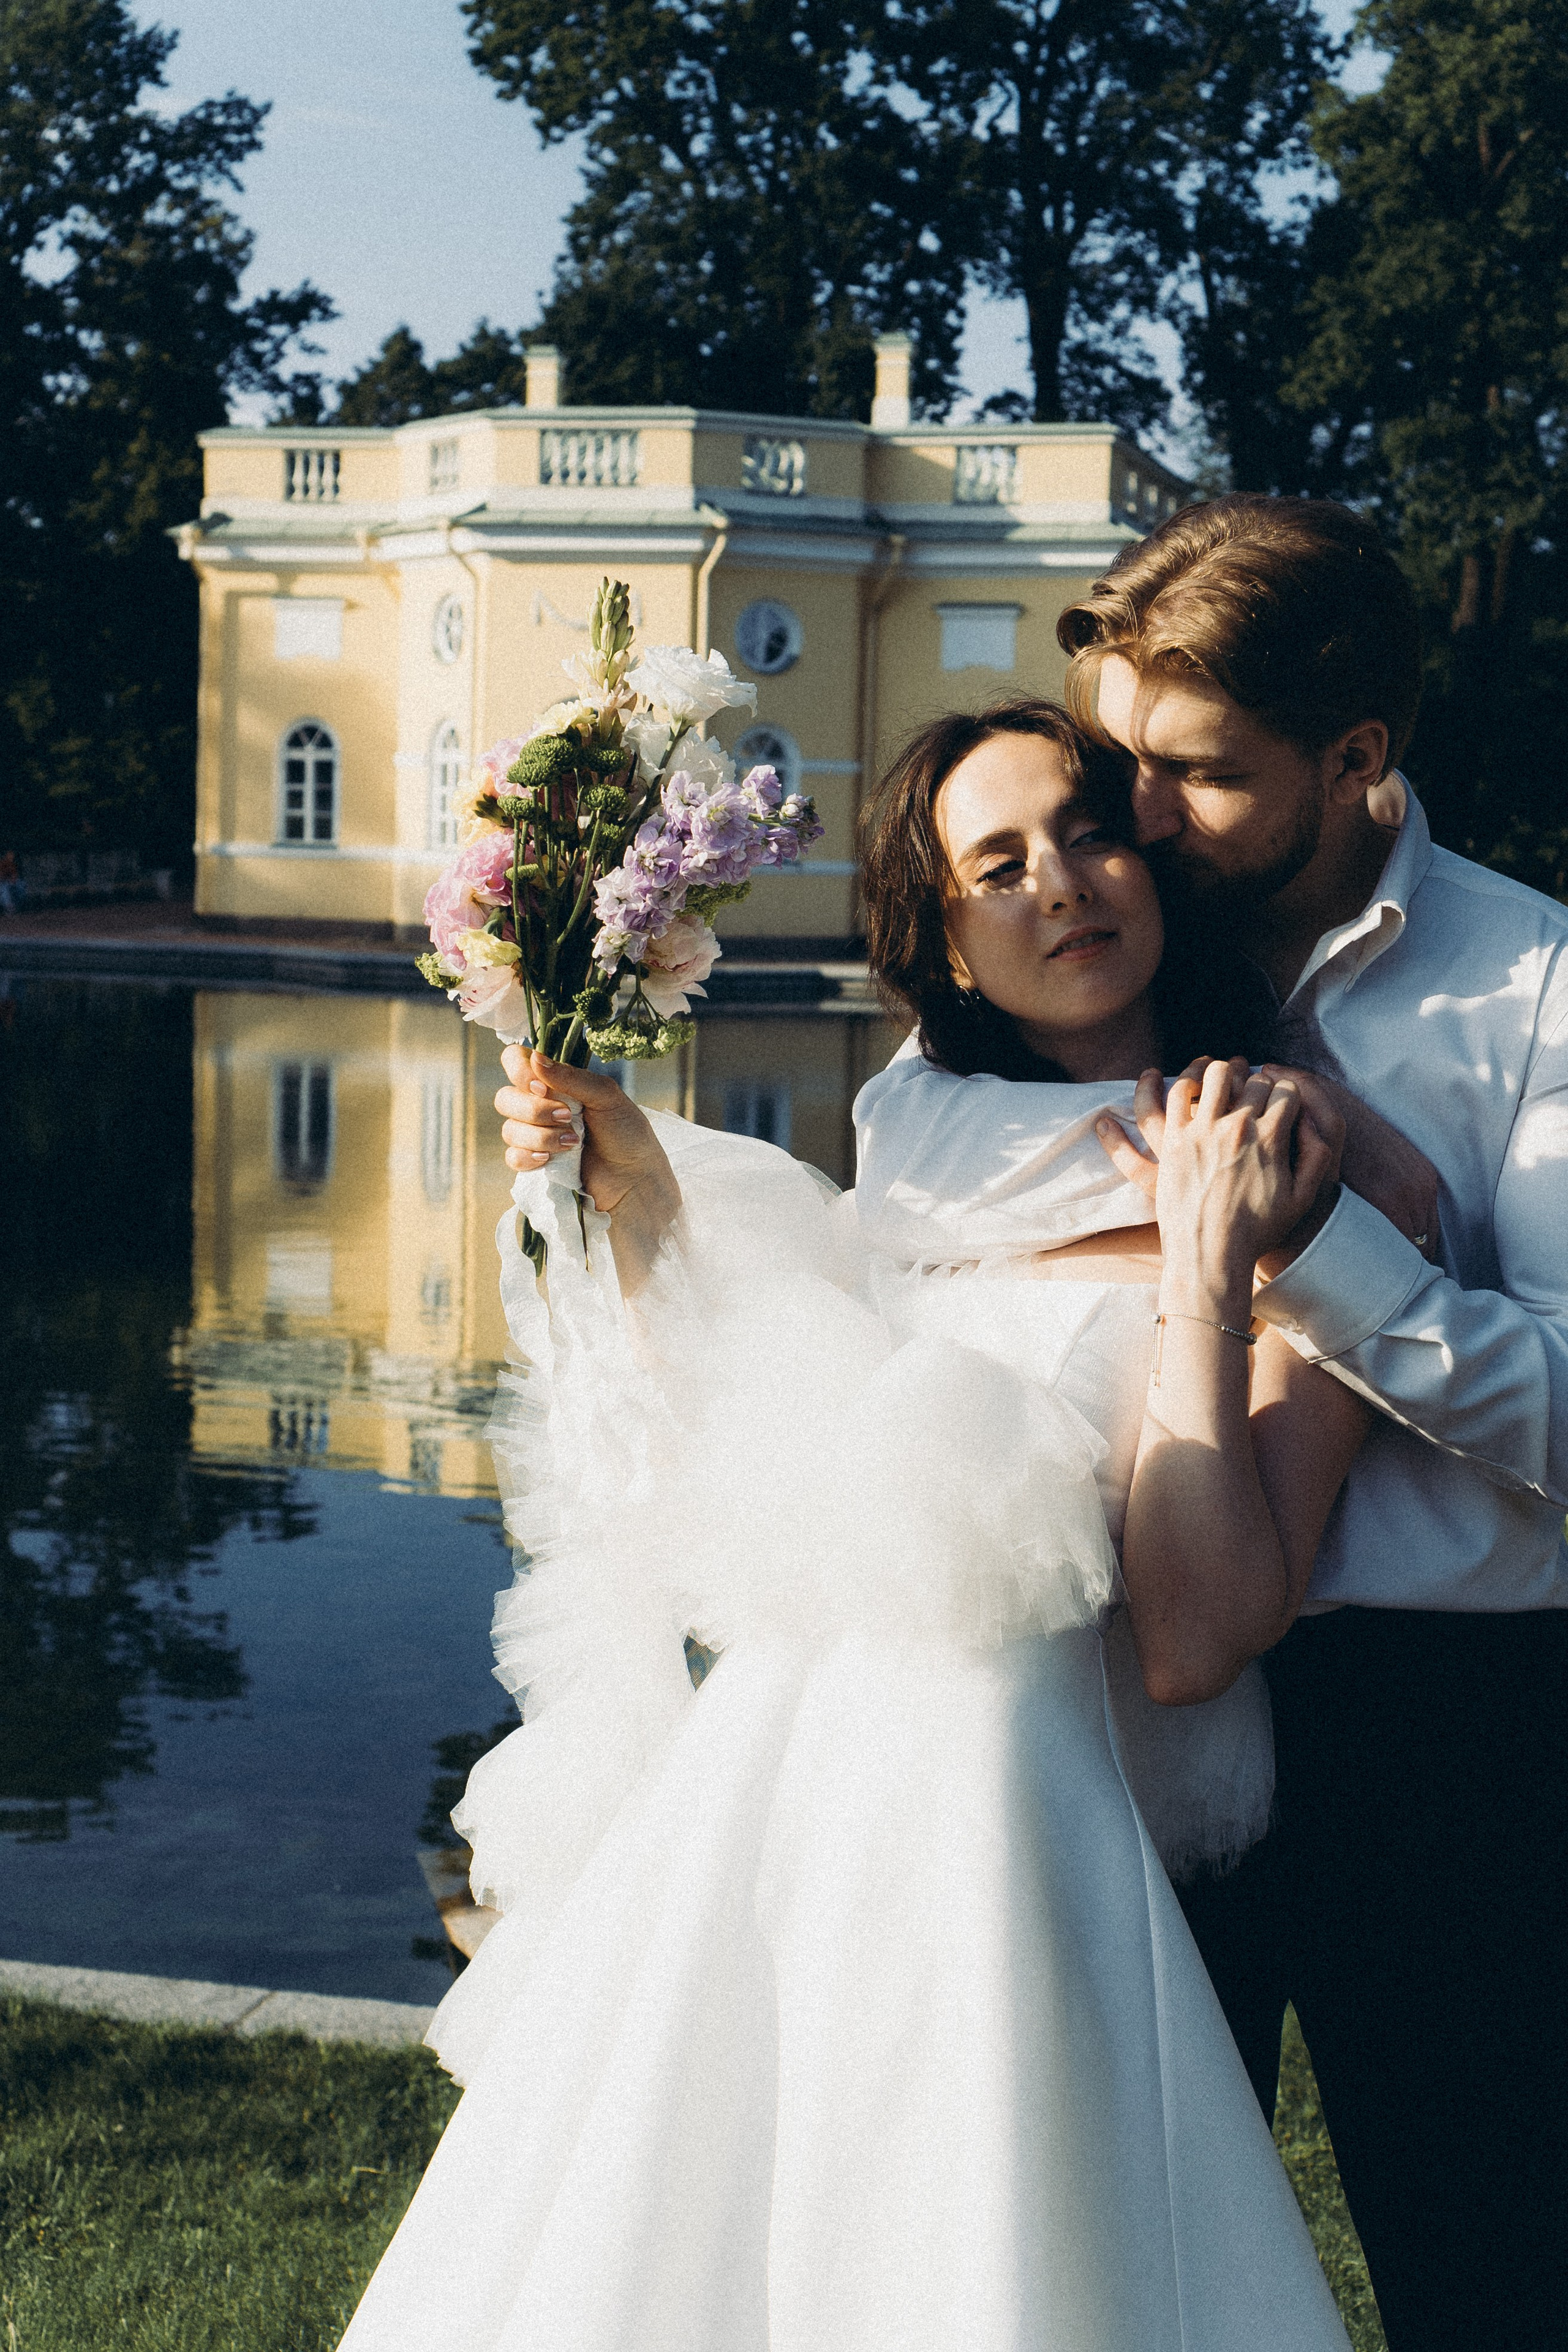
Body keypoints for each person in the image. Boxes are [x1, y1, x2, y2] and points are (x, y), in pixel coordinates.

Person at [340, 699, 1362, 2351]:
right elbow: (773, 1461)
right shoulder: (922, 1153)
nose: (1064, 886)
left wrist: (1203, 1275)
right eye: (1000, 864)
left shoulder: (1284, 1151)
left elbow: (1197, 1637)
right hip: (793, 1806)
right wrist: (638, 1194)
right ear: (946, 942)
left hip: (1028, 1839)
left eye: (1092, 832)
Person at [859, 497, 1568, 2352]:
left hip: (1456, 1739)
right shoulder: (1097, 982)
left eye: (1191, 778)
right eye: (1119, 771)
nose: (1136, 828)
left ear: (1356, 761)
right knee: (1120, 2264)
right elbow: (905, 1195)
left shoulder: (1541, 990)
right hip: (1133, 1734)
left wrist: (1325, 1256)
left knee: (1490, 2264)